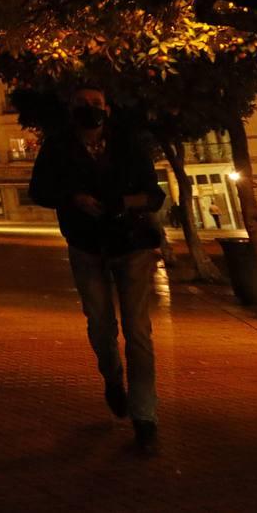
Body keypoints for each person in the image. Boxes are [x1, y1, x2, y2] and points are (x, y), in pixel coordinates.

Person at [29, 84, 167, 455]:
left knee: (138, 332)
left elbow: (155, 195)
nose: (90, 109)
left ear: (108, 108)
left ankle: (144, 417)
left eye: (96, 104)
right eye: (81, 104)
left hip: (132, 244)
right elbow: (37, 190)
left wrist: (123, 201)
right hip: (86, 246)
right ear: (70, 109)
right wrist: (72, 198)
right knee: (101, 324)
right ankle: (112, 378)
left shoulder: (129, 144)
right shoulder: (58, 147)